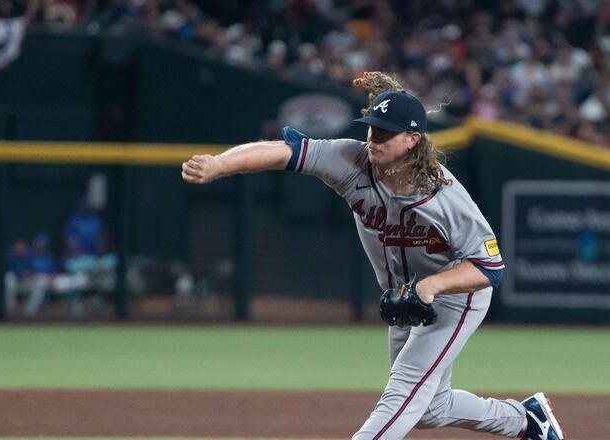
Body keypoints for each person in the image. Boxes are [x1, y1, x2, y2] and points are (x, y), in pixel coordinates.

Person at [181, 71, 565, 440]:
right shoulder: (351, 161)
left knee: (401, 394)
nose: (373, 140)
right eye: (371, 129)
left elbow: (490, 267)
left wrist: (431, 285)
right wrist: (219, 164)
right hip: (402, 298)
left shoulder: (445, 197)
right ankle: (525, 419)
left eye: (385, 134)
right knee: (429, 409)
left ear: (413, 139)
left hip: (455, 294)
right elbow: (286, 151)